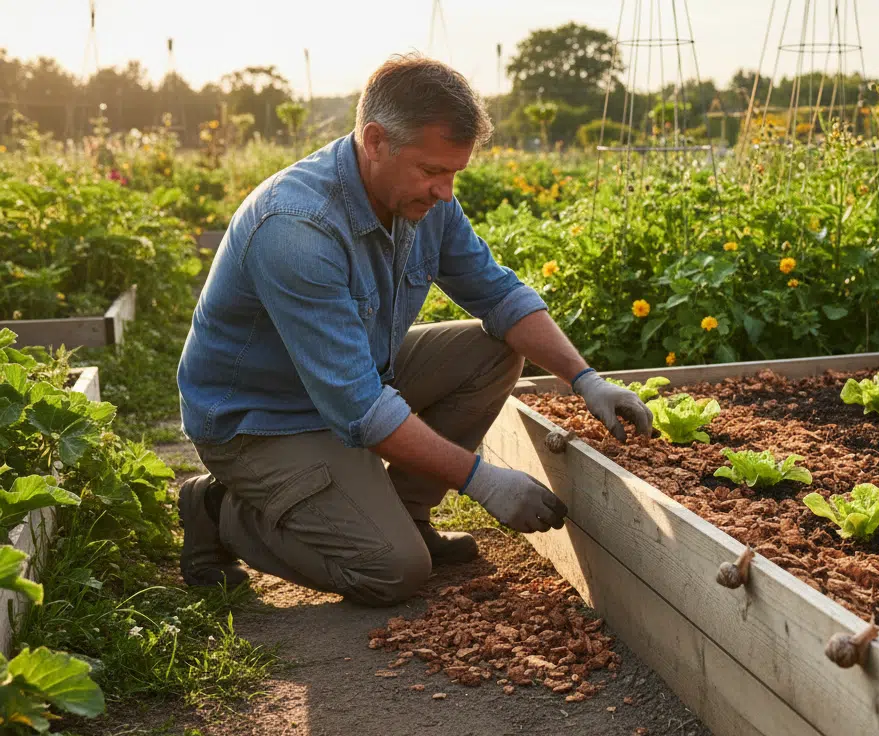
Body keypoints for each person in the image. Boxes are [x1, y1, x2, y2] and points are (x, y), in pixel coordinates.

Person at [175, 54, 652, 607]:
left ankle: (405, 513)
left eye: (454, 172)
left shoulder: (419, 198)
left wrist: (586, 378)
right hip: (262, 420)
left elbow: (497, 294)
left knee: (490, 352)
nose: (445, 191)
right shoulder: (295, 228)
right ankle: (218, 508)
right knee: (391, 570)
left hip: (351, 381)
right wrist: (482, 480)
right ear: (374, 141)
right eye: (432, 171)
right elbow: (360, 408)